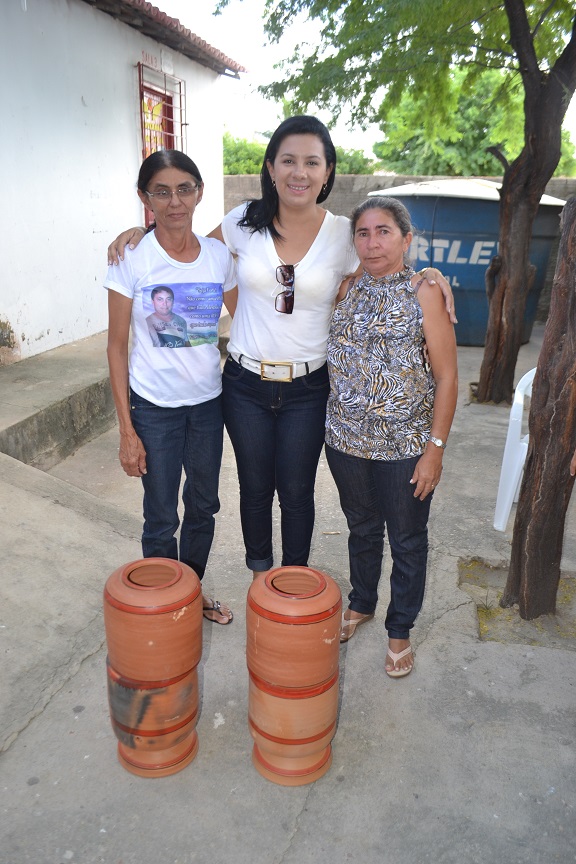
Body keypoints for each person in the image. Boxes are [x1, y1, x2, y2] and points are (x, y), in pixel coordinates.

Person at [107, 116, 456, 582]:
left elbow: (384, 262)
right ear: (270, 168)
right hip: (244, 384)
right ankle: (258, 577)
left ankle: (289, 580)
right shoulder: (240, 222)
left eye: (312, 162)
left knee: (296, 491)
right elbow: (183, 249)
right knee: (252, 489)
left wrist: (429, 275)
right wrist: (137, 235)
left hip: (309, 387)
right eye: (288, 160)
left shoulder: (341, 234)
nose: (300, 172)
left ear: (328, 172)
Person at [326, 196, 458, 678]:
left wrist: (434, 451)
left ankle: (399, 628)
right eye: (363, 232)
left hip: (405, 448)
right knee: (361, 528)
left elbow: (447, 377)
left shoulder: (423, 290)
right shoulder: (347, 288)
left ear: (406, 240)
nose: (372, 241)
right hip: (344, 441)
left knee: (406, 539)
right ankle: (361, 602)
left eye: (384, 231)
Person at [105, 149, 236, 624]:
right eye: (161, 191)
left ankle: (191, 591)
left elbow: (250, 317)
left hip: (207, 406)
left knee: (203, 506)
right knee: (161, 512)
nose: (174, 201)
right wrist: (127, 430)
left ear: (198, 192)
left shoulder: (219, 256)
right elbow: (116, 347)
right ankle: (163, 604)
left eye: (184, 189)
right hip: (153, 408)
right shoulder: (131, 258)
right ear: (146, 198)